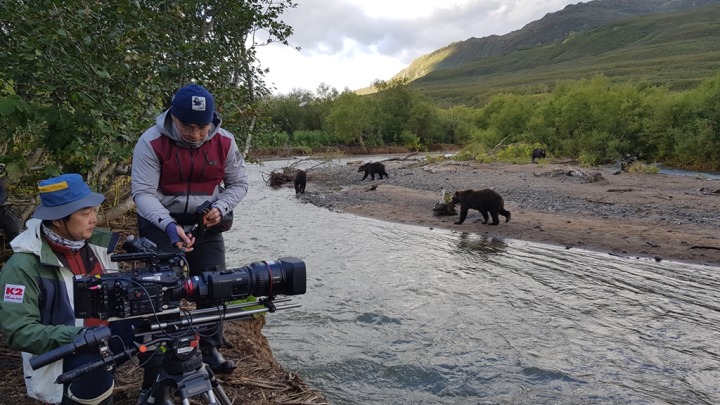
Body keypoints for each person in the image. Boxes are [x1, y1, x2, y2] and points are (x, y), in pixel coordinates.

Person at [131, 83, 249, 375]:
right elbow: (143, 193)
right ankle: (160, 353)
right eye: (188, 127)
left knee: (215, 284)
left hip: (205, 220)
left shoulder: (225, 142)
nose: (196, 135)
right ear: (174, 117)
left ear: (213, 120)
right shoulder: (151, 142)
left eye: (203, 127)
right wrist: (168, 225)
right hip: (160, 220)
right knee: (159, 289)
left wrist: (219, 209)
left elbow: (239, 184)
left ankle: (209, 348)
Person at [0, 173, 125, 405]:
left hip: (107, 340)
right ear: (57, 220)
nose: (94, 219)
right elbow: (19, 331)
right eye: (85, 213)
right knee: (94, 375)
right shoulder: (21, 267)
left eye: (94, 211)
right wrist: (81, 336)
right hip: (65, 356)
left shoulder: (99, 246)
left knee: (162, 338)